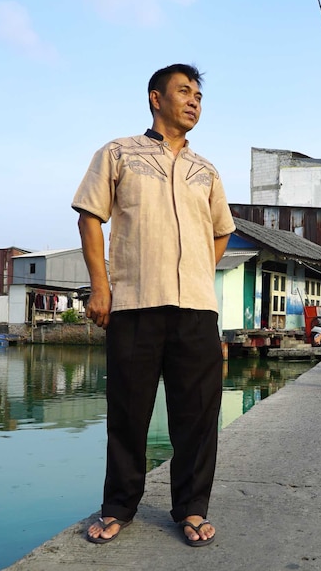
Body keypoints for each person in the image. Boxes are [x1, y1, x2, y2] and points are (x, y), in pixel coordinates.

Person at [71, 63, 236, 547]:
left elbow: (222, 230)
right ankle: (119, 505)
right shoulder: (119, 153)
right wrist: (101, 288)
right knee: (128, 410)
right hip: (135, 303)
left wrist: (198, 271)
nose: (194, 102)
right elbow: (89, 218)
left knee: (199, 414)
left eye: (199, 96)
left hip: (196, 308)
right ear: (155, 98)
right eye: (184, 92)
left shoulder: (206, 170)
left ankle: (191, 508)